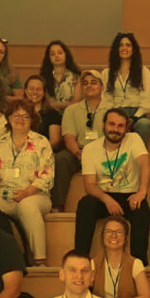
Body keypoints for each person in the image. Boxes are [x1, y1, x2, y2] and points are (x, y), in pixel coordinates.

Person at [76, 107, 150, 267]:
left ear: (126, 128)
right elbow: (89, 186)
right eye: (111, 124)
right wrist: (107, 200)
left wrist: (142, 192)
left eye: (120, 126)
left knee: (142, 208)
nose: (115, 130)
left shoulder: (134, 139)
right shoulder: (90, 149)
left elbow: (145, 165)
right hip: (103, 196)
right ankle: (80, 259)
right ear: (103, 125)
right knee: (86, 204)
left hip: (130, 194)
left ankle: (139, 264)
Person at [0, 98, 54, 265]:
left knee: (27, 206)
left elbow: (47, 175)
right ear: (8, 118)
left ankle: (40, 260)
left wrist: (27, 192)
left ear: (32, 120)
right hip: (2, 194)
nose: (20, 119)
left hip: (35, 195)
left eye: (26, 116)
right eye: (16, 115)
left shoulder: (41, 142)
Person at [55, 69, 109, 211]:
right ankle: (58, 205)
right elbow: (69, 137)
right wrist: (79, 153)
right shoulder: (71, 110)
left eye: (93, 83)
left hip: (104, 153)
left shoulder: (111, 109)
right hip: (78, 152)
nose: (89, 86)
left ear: (102, 86)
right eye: (85, 83)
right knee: (60, 159)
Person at [90, 214, 150, 298]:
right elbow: (84, 293)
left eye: (119, 232)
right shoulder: (93, 263)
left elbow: (147, 297)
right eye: (109, 231)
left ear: (125, 238)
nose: (113, 236)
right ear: (102, 236)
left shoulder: (135, 263)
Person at [100, 31, 150, 144]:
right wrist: (115, 117)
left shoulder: (144, 72)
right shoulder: (107, 73)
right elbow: (106, 99)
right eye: (121, 45)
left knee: (144, 125)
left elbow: (148, 101)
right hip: (115, 112)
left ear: (134, 49)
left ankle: (139, 158)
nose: (124, 48)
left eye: (128, 45)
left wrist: (134, 118)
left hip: (137, 114)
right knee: (101, 125)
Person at [38, 39, 81, 112]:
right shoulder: (44, 77)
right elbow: (47, 103)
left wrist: (55, 105)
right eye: (52, 54)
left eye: (60, 53)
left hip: (73, 113)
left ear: (66, 55)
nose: (56, 56)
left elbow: (76, 103)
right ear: (49, 58)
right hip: (51, 114)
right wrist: (64, 104)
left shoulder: (76, 76)